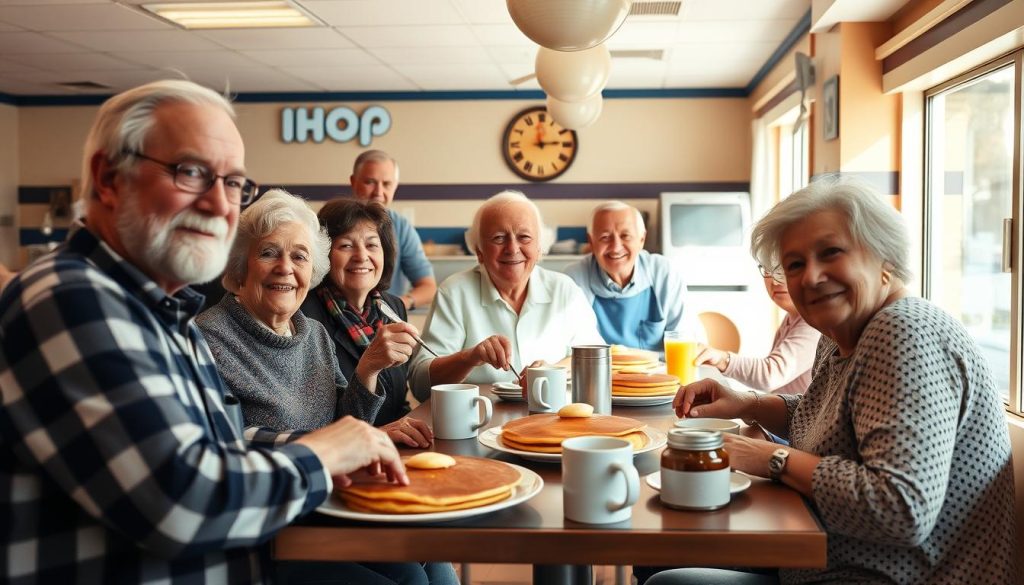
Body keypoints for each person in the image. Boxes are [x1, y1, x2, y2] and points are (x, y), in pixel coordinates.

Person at [0, 79, 409, 584]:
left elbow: (227, 446)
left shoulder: (164, 313)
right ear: (107, 178)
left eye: (234, 183)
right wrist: (324, 451)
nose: (220, 205)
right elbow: (184, 503)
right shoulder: (72, 299)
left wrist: (346, 442)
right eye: (191, 173)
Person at [652, 175, 1016, 584]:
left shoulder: (905, 333)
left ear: (885, 259)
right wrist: (745, 403)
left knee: (665, 568)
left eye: (831, 253)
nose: (810, 277)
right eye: (794, 264)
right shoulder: (843, 332)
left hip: (895, 576)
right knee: (662, 548)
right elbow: (824, 416)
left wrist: (772, 460)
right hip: (827, 558)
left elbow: (901, 510)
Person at [197, 190, 451, 584]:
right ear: (239, 268)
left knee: (433, 556)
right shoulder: (209, 337)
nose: (285, 268)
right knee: (413, 578)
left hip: (333, 505)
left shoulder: (311, 332)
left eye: (299, 256)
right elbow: (225, 443)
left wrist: (366, 372)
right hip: (273, 526)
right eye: (268, 253)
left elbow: (343, 419)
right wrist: (332, 447)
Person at [409, 190, 603, 400]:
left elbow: (596, 359)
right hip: (479, 421)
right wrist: (469, 357)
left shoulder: (565, 290)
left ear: (540, 248)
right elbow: (420, 384)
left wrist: (554, 370)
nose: (512, 248)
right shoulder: (454, 293)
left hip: (554, 421)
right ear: (479, 252)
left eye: (524, 237)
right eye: (499, 238)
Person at [301, 198, 428, 437]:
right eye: (346, 245)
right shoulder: (304, 316)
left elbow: (398, 402)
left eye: (372, 245)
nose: (361, 256)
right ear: (324, 255)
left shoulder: (393, 307)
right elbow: (313, 420)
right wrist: (380, 434)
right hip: (343, 456)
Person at [565, 201, 701, 352]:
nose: (616, 248)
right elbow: (571, 347)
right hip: (599, 373)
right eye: (605, 237)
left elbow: (684, 340)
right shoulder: (573, 280)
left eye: (625, 236)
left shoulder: (664, 273)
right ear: (591, 242)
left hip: (660, 373)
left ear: (642, 239)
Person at [693, 264, 820, 394]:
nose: (775, 281)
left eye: (782, 269)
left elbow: (771, 374)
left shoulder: (813, 323)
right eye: (767, 270)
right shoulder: (791, 317)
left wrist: (722, 359)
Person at [350, 150, 436, 311]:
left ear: (395, 186)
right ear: (353, 182)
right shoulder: (330, 222)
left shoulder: (401, 227)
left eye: (387, 184)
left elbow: (428, 287)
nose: (379, 192)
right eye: (370, 182)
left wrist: (395, 306)